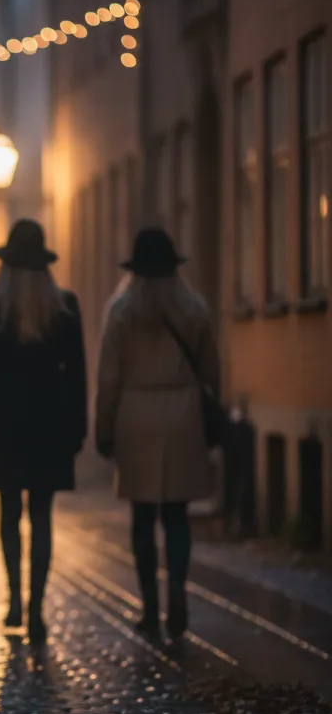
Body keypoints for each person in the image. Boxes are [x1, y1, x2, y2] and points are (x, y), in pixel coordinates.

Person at [0, 219, 86, 645]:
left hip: (3, 420)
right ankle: (36, 608)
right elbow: (77, 373)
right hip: (50, 420)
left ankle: (14, 598)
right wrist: (78, 426)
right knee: (43, 515)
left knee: (9, 513)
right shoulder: (63, 306)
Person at [95, 227, 219, 639]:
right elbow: (211, 370)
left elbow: (108, 379)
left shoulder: (121, 311)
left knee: (142, 516)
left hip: (136, 414)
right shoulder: (194, 309)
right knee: (177, 516)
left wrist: (104, 427)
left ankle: (150, 606)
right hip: (182, 412)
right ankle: (178, 590)